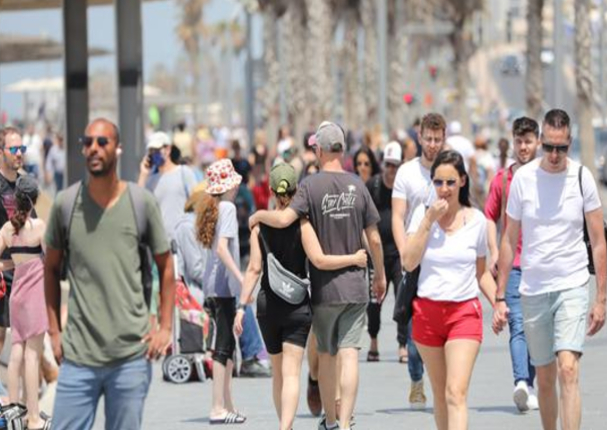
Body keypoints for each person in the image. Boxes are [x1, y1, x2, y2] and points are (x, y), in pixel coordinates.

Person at [250, 121, 387, 430]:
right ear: (343, 149)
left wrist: (258, 215)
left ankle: (331, 419)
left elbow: (285, 218)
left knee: (326, 355)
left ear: (319, 150)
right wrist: (379, 275)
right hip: (356, 285)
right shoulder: (358, 184)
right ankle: (348, 423)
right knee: (350, 353)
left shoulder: (310, 186)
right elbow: (375, 239)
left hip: (325, 289)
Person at [44, 118, 175, 430]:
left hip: (130, 357)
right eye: (88, 142)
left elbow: (166, 266)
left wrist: (166, 327)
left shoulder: (140, 203)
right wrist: (54, 332)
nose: (93, 148)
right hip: (77, 358)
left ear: (117, 148)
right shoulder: (65, 204)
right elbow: (49, 268)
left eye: (102, 142)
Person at [494, 109, 606, 430]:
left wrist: (601, 298)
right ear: (541, 142)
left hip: (572, 284)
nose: (555, 155)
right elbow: (509, 237)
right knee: (544, 377)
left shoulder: (583, 178)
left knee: (568, 369)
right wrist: (500, 296)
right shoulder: (524, 180)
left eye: (562, 148)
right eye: (550, 147)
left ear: (570, 143)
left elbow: (598, 242)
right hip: (533, 289)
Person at [234, 163, 368, 430]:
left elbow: (254, 269)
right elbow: (319, 260)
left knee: (277, 374)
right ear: (297, 190)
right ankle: (286, 426)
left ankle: (286, 426)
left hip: (267, 305)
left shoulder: (259, 227)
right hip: (296, 307)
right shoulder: (304, 224)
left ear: (271, 191)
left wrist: (240, 307)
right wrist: (353, 258)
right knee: (293, 372)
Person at [402, 150, 497, 430]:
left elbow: (481, 274)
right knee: (442, 396)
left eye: (451, 182)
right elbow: (409, 261)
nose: (444, 189)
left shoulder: (477, 220)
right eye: (438, 182)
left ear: (463, 181)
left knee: (456, 393)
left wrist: (499, 303)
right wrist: (428, 221)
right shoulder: (422, 214)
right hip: (427, 315)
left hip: (463, 313)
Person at [392, 113, 448, 409]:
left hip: (445, 260)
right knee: (415, 330)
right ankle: (416, 378)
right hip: (415, 258)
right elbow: (398, 217)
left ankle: (445, 385)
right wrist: (405, 254)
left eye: (438, 139)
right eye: (428, 138)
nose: (433, 144)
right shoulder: (407, 173)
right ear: (420, 136)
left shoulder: (451, 168)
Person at [484, 117, 539, 412]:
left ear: (538, 143)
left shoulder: (547, 177)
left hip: (542, 266)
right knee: (517, 324)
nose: (523, 147)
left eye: (528, 141)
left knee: (536, 329)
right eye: (519, 141)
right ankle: (521, 382)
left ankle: (530, 383)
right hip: (514, 265)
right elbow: (488, 218)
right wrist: (494, 252)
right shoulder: (503, 180)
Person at [197, 159, 247, 424]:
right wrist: (240, 277)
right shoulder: (227, 207)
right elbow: (222, 250)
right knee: (224, 347)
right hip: (224, 287)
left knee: (226, 346)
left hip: (214, 286)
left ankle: (227, 404)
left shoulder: (215, 206)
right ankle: (217, 407)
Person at [0, 176, 49, 429]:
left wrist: (8, 265)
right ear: (34, 200)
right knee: (32, 356)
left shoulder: (7, 229)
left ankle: (13, 413)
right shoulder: (39, 226)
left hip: (16, 294)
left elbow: (11, 260)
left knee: (16, 352)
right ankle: (33, 417)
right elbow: (50, 260)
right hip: (35, 296)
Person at [365, 141, 407, 362]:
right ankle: (373, 342)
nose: (391, 170)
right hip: (377, 256)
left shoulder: (404, 187)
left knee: (402, 299)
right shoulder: (373, 185)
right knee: (374, 303)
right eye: (388, 165)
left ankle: (402, 345)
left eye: (395, 166)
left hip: (399, 254)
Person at [137, 131, 198, 242]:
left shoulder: (184, 173)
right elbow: (139, 206)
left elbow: (197, 205)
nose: (154, 153)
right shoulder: (151, 180)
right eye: (151, 151)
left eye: (157, 149)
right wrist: (143, 174)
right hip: (161, 245)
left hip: (184, 242)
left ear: (168, 149)